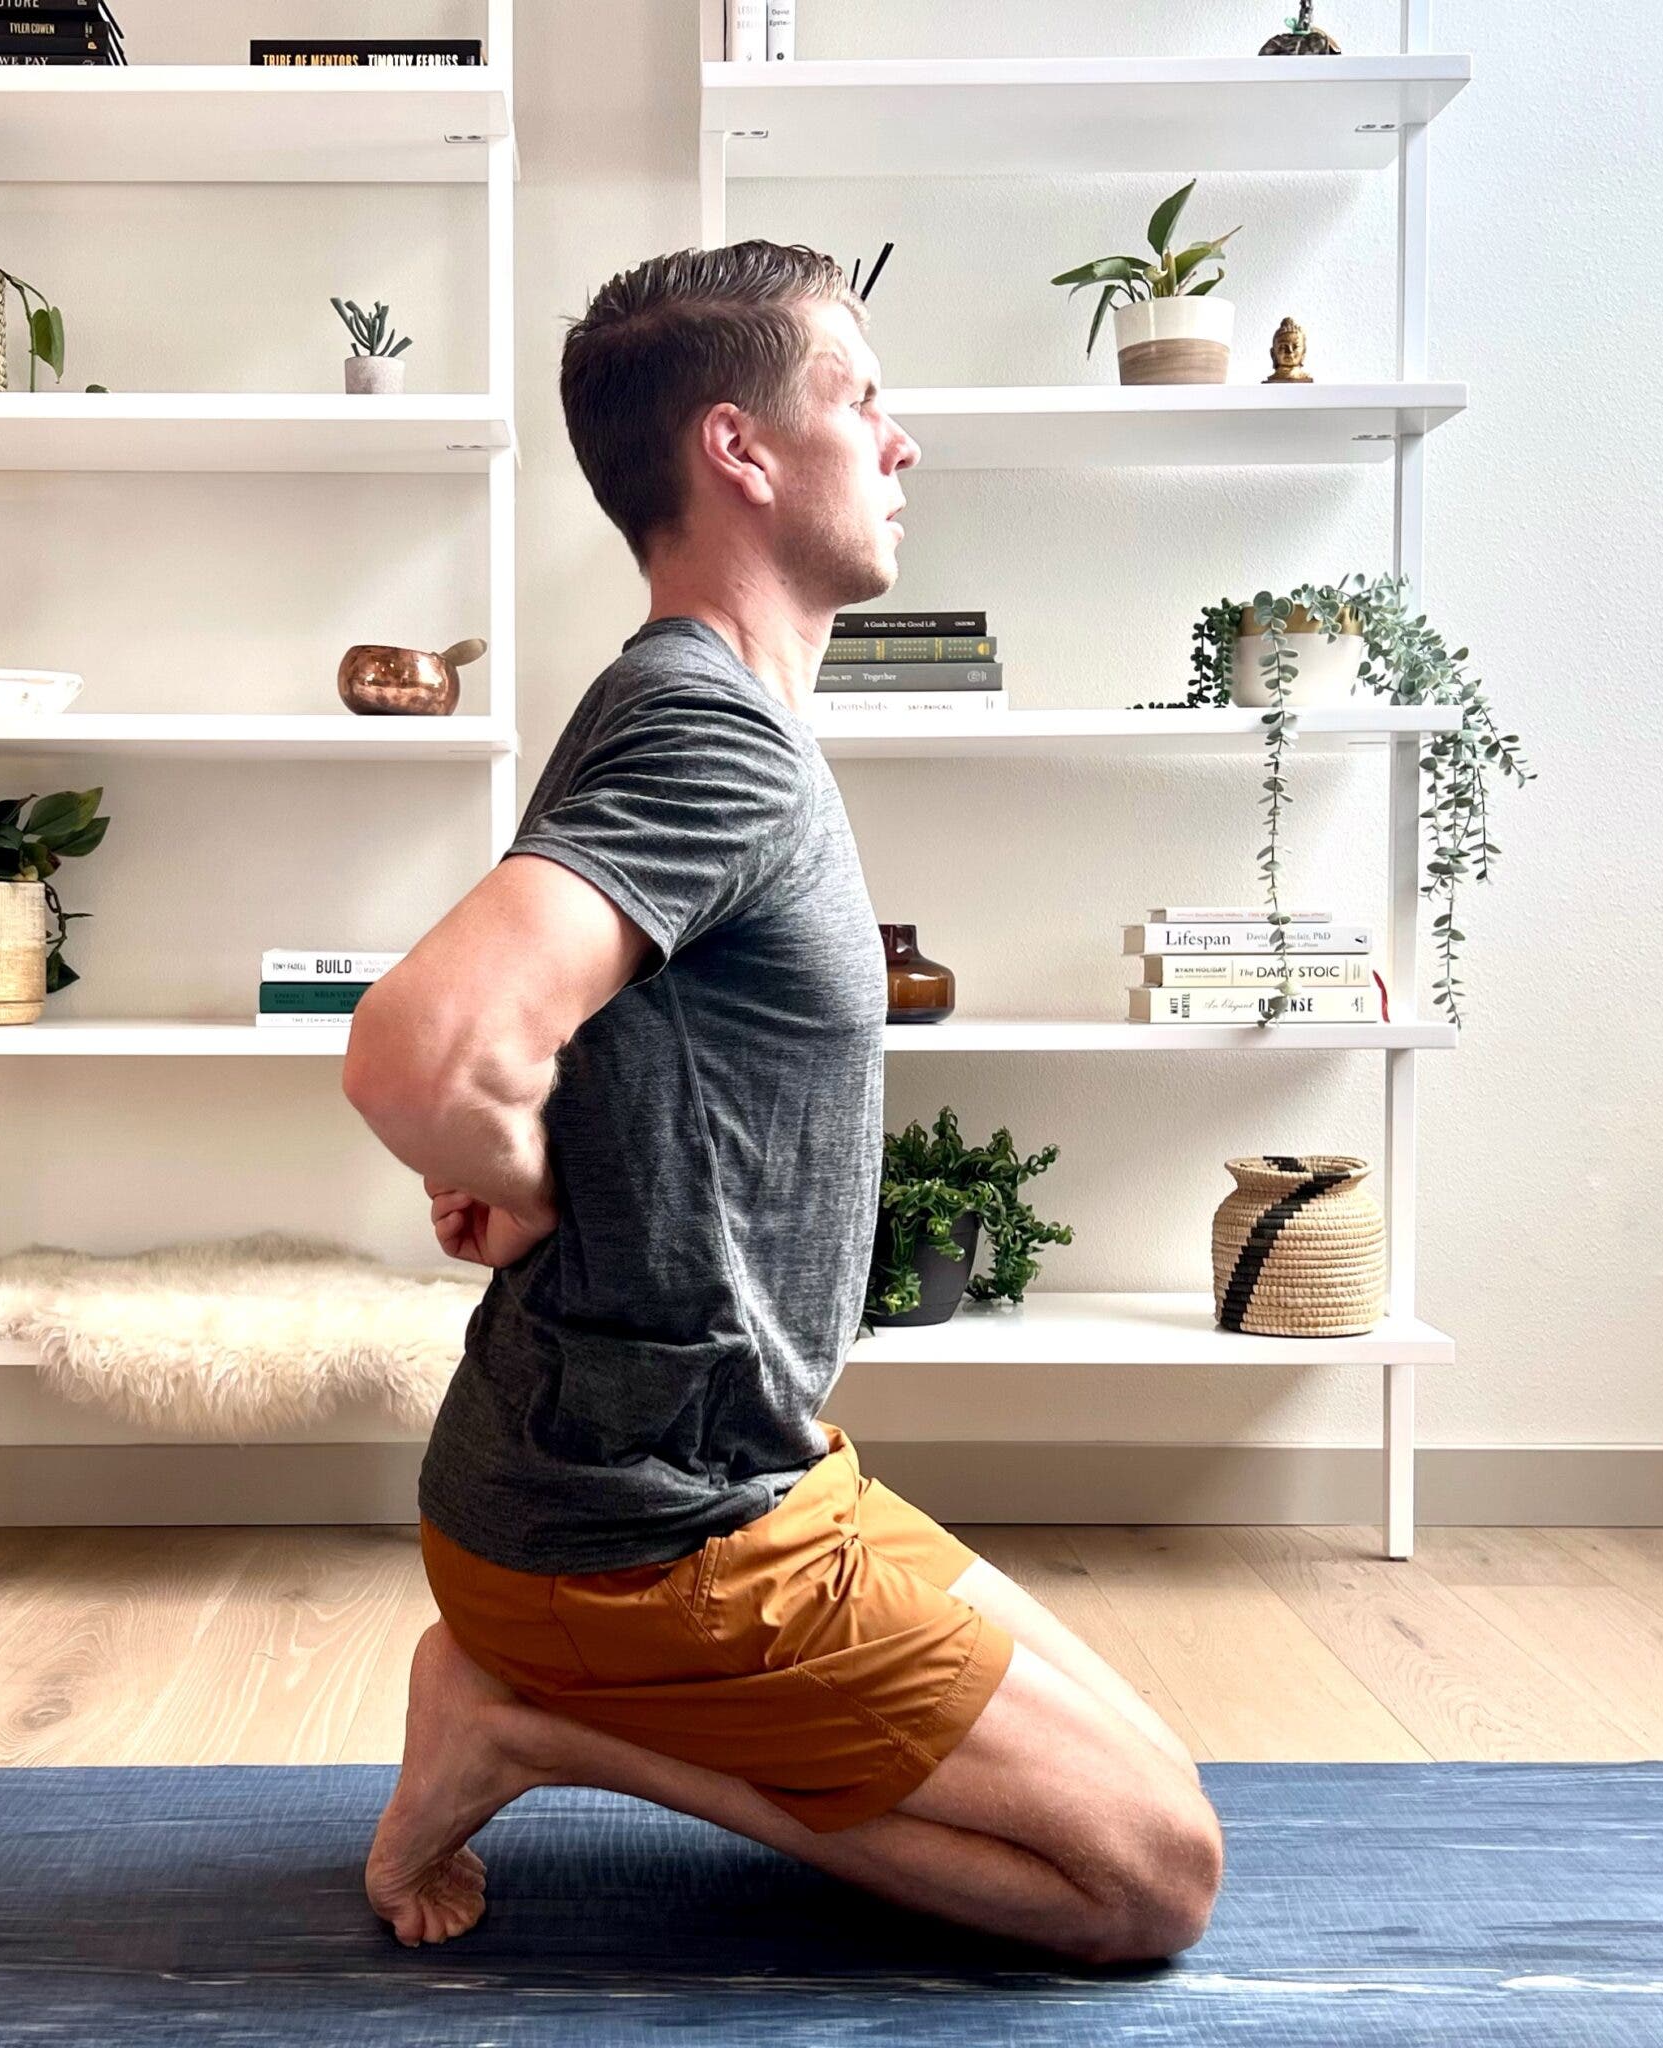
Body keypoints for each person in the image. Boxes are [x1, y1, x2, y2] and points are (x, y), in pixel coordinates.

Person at [339, 241, 1223, 1968]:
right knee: (1148, 1884)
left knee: (1148, 1780)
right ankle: (536, 1729)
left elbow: (561, 1047)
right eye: (862, 399)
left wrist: (536, 1171)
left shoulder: (697, 709)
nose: (900, 444)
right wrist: (513, 1164)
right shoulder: (708, 734)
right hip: (634, 1531)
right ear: (739, 450)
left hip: (738, 1474)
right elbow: (419, 1051)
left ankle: (532, 1697)